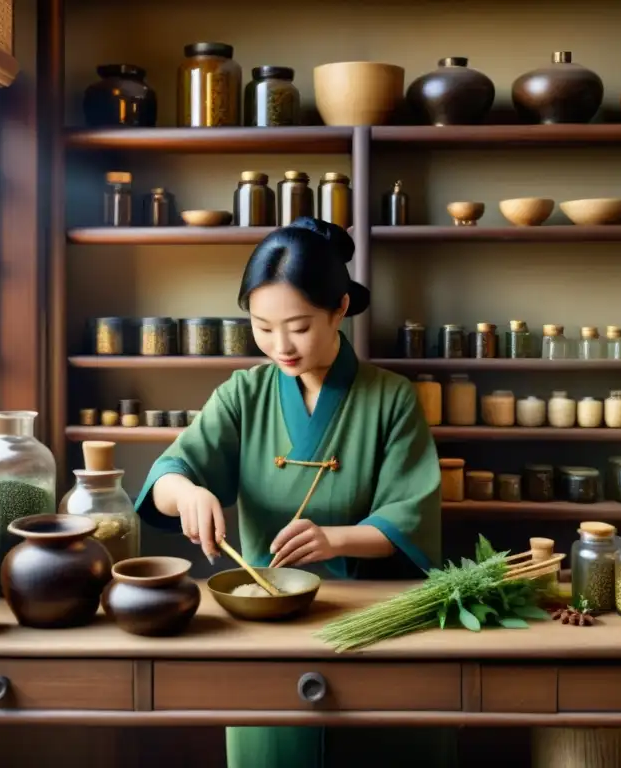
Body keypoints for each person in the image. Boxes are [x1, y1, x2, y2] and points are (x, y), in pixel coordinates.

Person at [133, 217, 456, 768]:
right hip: (265, 618)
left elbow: (410, 517)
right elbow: (171, 469)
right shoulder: (244, 392)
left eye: (299, 326)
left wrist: (335, 539)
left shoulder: (392, 398)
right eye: (262, 327)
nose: (279, 346)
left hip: (373, 620)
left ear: (340, 309)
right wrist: (184, 492)